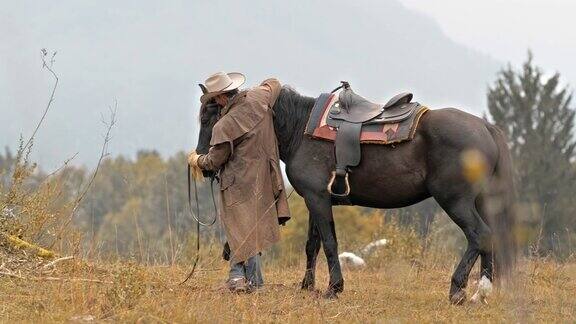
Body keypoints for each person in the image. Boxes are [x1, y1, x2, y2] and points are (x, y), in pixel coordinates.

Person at [188, 71, 290, 292]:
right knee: (246, 227)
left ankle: (252, 281)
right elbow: (274, 83)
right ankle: (237, 277)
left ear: (223, 97)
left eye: (215, 99)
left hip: (238, 182)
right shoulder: (259, 98)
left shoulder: (226, 125)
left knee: (242, 228)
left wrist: (197, 160)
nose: (216, 104)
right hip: (264, 176)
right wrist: (256, 89)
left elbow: (215, 160)